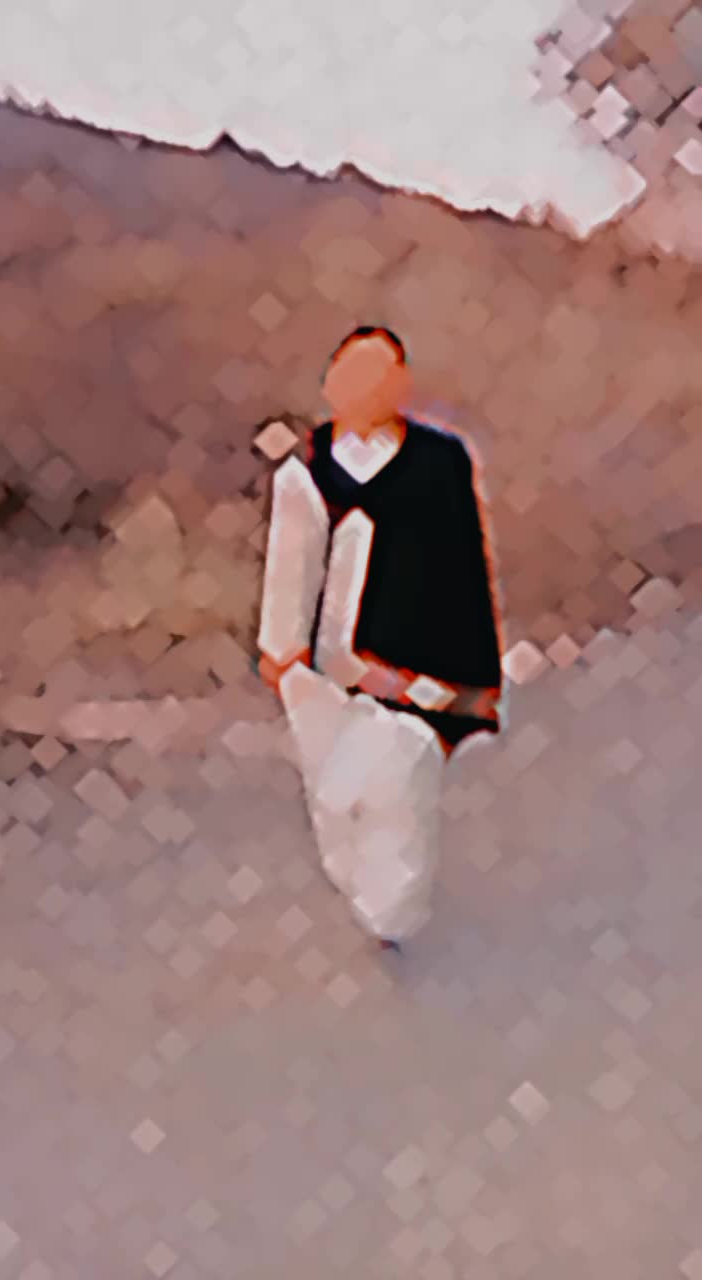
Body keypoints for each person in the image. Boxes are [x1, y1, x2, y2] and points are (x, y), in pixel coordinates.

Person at [256, 326, 504, 949]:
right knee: (336, 798)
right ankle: (362, 887)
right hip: (325, 673)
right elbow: (289, 562)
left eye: (380, 375)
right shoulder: (306, 472)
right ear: (331, 385)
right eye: (352, 375)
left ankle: (393, 912)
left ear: (401, 385)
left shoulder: (441, 462)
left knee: (399, 786)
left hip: (415, 671)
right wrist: (280, 652)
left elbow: (465, 566)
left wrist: (472, 674)